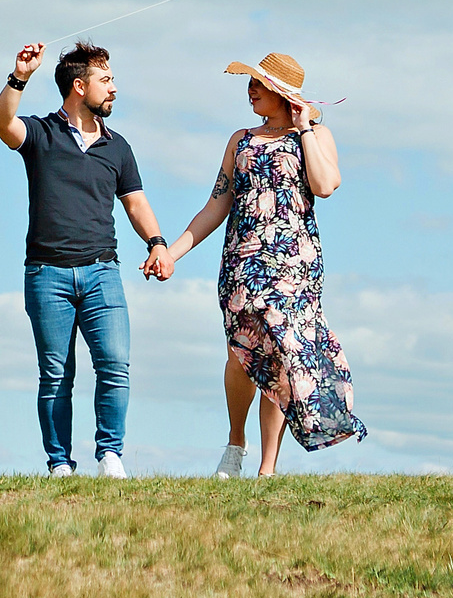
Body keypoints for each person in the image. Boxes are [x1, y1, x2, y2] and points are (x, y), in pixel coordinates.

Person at [156, 51, 366, 476]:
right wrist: (170, 252)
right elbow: (216, 205)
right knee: (241, 356)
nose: (249, 89)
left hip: (294, 266)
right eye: (250, 82)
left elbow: (325, 185)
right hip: (242, 262)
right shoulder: (241, 140)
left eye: (258, 84)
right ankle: (236, 443)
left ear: (282, 93)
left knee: (280, 356)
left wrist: (304, 127)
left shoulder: (316, 137)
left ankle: (268, 468)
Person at [0, 39, 172, 477]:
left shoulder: (118, 147)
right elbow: (1, 122)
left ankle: (110, 455)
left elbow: (135, 203)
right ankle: (59, 464)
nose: (113, 89)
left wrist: (157, 243)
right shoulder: (40, 133)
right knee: (55, 374)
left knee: (114, 364)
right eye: (105, 80)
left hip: (102, 273)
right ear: (79, 86)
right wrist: (20, 76)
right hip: (46, 274)